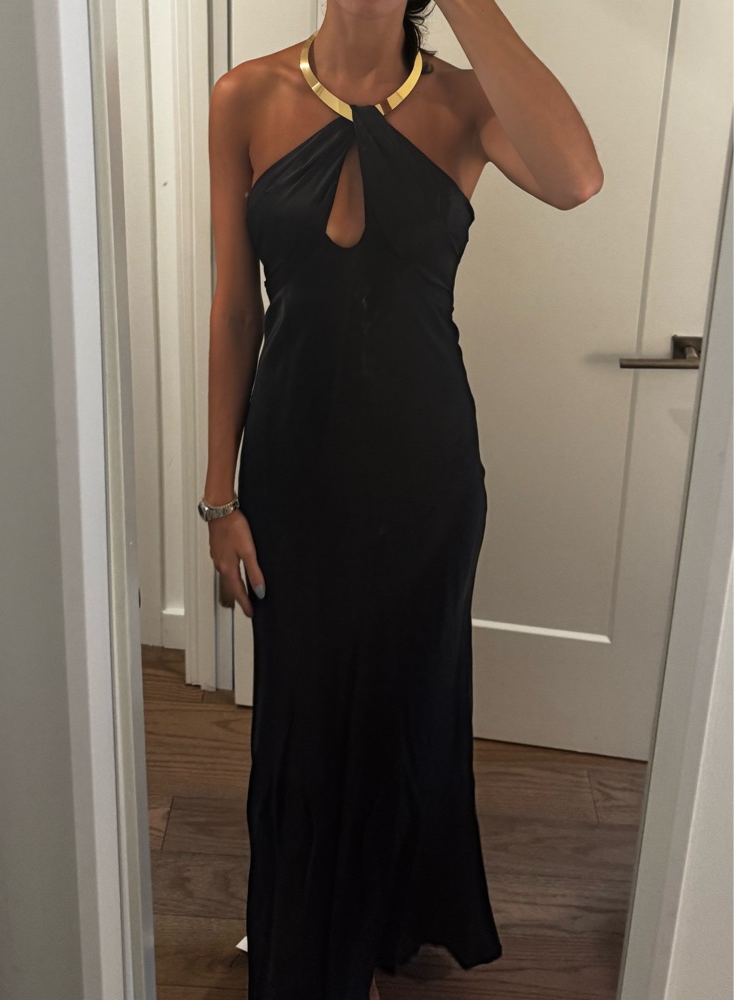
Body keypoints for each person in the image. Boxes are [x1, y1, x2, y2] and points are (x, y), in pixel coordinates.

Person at [201, 2, 603, 997]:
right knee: (299, 720)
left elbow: (574, 178)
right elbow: (236, 307)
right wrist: (218, 494)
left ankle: (380, 923)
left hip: (424, 478)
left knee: (403, 709)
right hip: (291, 472)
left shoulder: (465, 104)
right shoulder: (245, 95)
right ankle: (307, 939)